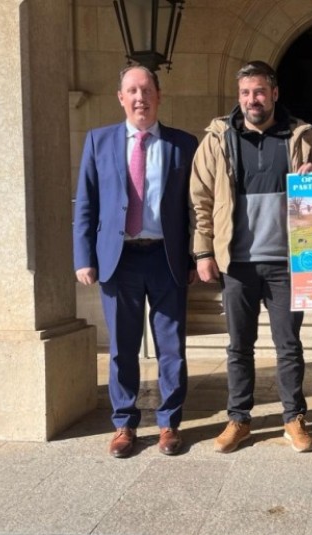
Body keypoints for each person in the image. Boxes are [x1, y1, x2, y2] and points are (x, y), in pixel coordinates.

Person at [190, 61, 312, 454]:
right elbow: (201, 199)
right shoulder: (218, 139)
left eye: (258, 92)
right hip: (237, 262)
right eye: (245, 93)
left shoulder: (299, 136)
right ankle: (239, 419)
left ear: (274, 93)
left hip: (286, 262)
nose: (252, 100)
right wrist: (203, 251)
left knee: (288, 344)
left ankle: (293, 418)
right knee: (239, 345)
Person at [73, 66, 199, 458]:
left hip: (166, 258)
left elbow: (196, 207)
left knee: (171, 347)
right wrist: (83, 257)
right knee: (122, 347)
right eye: (132, 90)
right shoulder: (99, 141)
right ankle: (124, 424)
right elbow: (86, 204)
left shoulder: (183, 144)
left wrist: (197, 255)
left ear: (159, 96)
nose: (140, 97)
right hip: (119, 259)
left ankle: (168, 424)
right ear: (121, 97)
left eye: (146, 89)